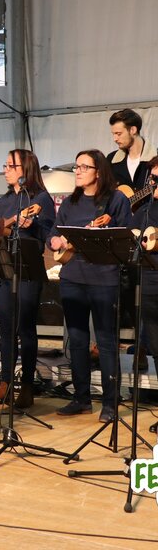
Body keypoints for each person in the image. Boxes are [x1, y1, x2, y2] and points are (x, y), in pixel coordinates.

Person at [49, 150, 132, 422]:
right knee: (77, 340)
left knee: (106, 342)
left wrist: (107, 229)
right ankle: (81, 399)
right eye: (77, 166)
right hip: (72, 278)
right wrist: (55, 241)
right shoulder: (70, 202)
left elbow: (126, 236)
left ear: (99, 172)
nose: (78, 171)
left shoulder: (115, 200)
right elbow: (54, 233)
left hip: (104, 279)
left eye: (85, 167)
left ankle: (110, 403)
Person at [0, 150, 56, 408]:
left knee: (26, 329)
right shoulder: (5, 200)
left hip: (27, 271)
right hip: (4, 270)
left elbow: (48, 235)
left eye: (11, 166)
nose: (5, 170)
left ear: (26, 169)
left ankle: (27, 386)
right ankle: (5, 384)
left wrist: (34, 226)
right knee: (6, 329)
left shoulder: (40, 199)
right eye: (5, 165)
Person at [108, 108, 157, 370]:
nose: (115, 138)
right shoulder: (112, 161)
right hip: (122, 234)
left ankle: (143, 346)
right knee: (126, 293)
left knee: (147, 294)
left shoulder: (154, 161)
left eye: (118, 133)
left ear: (133, 130)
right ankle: (133, 346)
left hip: (149, 234)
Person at [133, 156, 158, 378]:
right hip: (149, 283)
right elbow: (129, 234)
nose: (153, 183)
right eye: (152, 178)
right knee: (156, 347)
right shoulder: (145, 210)